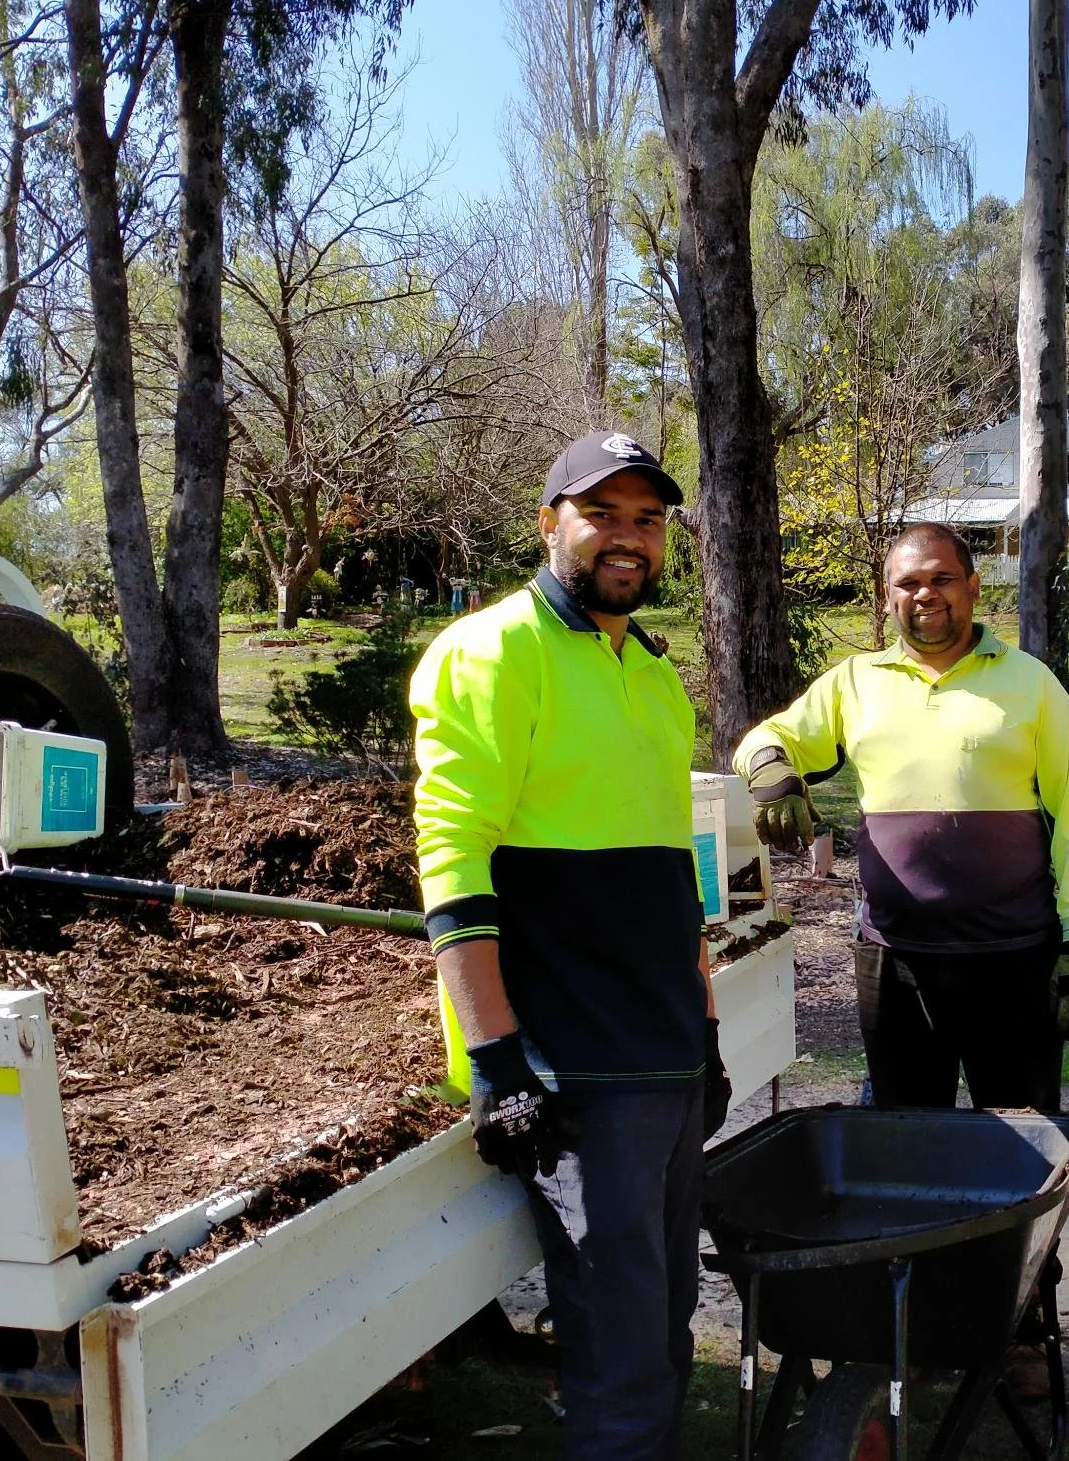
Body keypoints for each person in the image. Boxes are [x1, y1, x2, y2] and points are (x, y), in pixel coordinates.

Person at [410, 430, 732, 1461]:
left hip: (665, 1050)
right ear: (549, 523)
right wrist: (498, 1061)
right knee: (618, 1348)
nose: (627, 538)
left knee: (665, 1317)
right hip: (576, 1067)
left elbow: (671, 872)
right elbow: (452, 861)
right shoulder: (489, 650)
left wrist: (706, 1030)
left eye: (647, 519)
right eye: (602, 514)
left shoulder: (650, 672)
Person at [732, 521, 1069, 1113]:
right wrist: (773, 773)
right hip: (894, 960)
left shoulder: (1031, 684)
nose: (926, 594)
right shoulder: (855, 684)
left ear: (974, 587)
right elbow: (767, 736)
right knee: (903, 1144)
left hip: (1014, 959)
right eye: (908, 583)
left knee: (1024, 1150)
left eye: (942, 579)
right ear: (889, 596)